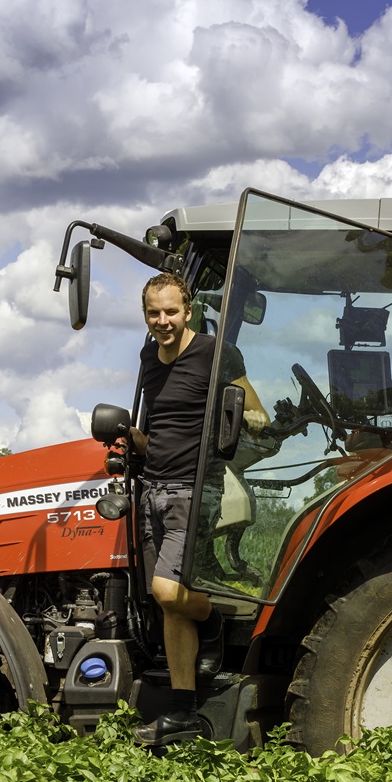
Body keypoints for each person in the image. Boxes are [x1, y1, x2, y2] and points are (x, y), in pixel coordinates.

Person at [127, 272, 267, 746]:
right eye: (154, 313)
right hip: (152, 489)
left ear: (188, 312)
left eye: (171, 311)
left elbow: (257, 410)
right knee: (165, 603)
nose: (162, 321)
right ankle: (182, 710)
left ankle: (214, 621)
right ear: (146, 316)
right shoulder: (150, 356)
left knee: (168, 592)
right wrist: (128, 439)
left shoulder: (215, 352)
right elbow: (156, 428)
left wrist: (246, 417)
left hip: (194, 488)